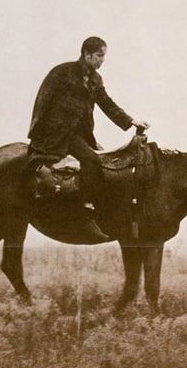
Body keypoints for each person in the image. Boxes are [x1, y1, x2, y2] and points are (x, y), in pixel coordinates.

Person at [28, 37, 148, 241]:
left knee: (103, 161)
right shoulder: (61, 73)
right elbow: (42, 101)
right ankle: (86, 212)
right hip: (58, 134)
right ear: (87, 54)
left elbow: (107, 104)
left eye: (104, 56)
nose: (103, 60)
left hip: (81, 134)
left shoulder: (95, 79)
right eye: (100, 55)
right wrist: (38, 136)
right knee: (91, 160)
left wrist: (131, 122)